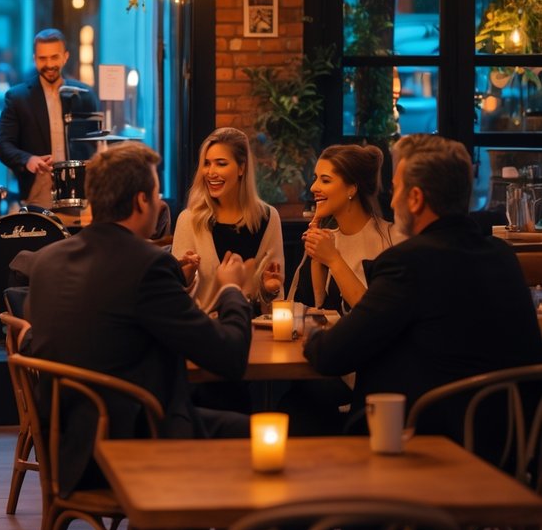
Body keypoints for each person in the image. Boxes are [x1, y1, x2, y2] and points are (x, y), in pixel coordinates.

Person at [24, 142, 253, 495]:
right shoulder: (147, 264)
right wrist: (232, 289)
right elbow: (229, 357)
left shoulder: (47, 260)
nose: (160, 204)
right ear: (141, 201)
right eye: (157, 194)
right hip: (127, 447)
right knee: (260, 435)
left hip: (66, 448)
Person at [304, 134, 542, 447]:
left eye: (396, 189)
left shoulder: (408, 263)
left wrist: (309, 331)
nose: (391, 201)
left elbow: (331, 356)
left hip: (430, 446)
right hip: (510, 446)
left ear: (415, 199)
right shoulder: (502, 256)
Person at [172, 127, 285, 311]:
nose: (210, 172)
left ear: (241, 168)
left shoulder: (269, 217)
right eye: (206, 164)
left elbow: (276, 301)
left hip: (254, 326)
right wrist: (187, 279)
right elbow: (175, 297)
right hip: (206, 327)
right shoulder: (189, 219)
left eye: (221, 164)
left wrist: (270, 290)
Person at [288, 144, 404, 312]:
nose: (313, 187)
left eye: (325, 180)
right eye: (315, 178)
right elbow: (313, 309)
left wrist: (333, 259)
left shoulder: (391, 240)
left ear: (352, 188)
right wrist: (316, 259)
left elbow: (377, 314)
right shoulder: (325, 240)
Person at [0, 29, 101, 209]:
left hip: (81, 192)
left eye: (54, 57)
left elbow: (94, 143)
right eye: (42, 58)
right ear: (34, 59)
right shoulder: (17, 97)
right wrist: (28, 160)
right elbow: (3, 146)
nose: (49, 64)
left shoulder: (84, 95)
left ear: (65, 57)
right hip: (37, 192)